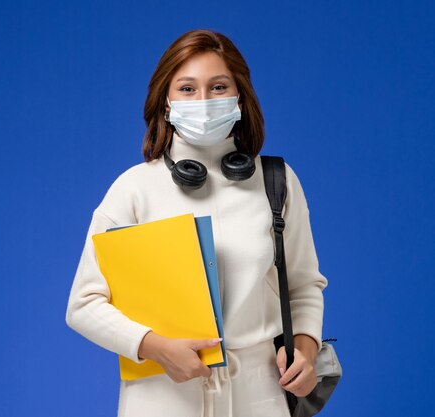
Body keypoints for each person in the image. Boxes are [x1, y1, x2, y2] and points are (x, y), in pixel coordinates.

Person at [66, 29, 327, 417]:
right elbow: (83, 305)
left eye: (218, 86)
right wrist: (154, 346)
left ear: (240, 97)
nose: (203, 101)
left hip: (260, 393)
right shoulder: (134, 189)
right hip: (164, 395)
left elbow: (304, 285)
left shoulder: (277, 182)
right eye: (187, 89)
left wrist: (306, 350)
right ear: (166, 101)